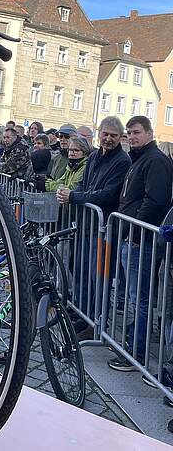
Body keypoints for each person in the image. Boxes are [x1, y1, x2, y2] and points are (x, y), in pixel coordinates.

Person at [107, 116, 173, 371]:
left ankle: (137, 352)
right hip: (132, 238)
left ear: (149, 133)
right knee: (137, 297)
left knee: (140, 299)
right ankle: (134, 347)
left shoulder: (155, 160)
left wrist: (133, 230)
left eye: (136, 133)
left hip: (140, 240)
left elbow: (155, 202)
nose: (131, 137)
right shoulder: (140, 159)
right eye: (129, 133)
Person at [57, 116, 131, 337]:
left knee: (97, 279)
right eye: (105, 134)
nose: (108, 139)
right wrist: (71, 192)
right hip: (85, 225)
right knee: (80, 273)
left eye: (113, 136)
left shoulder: (122, 161)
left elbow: (108, 194)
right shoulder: (95, 156)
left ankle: (95, 324)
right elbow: (84, 183)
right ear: (99, 134)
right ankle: (82, 314)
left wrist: (76, 197)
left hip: (102, 229)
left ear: (120, 137)